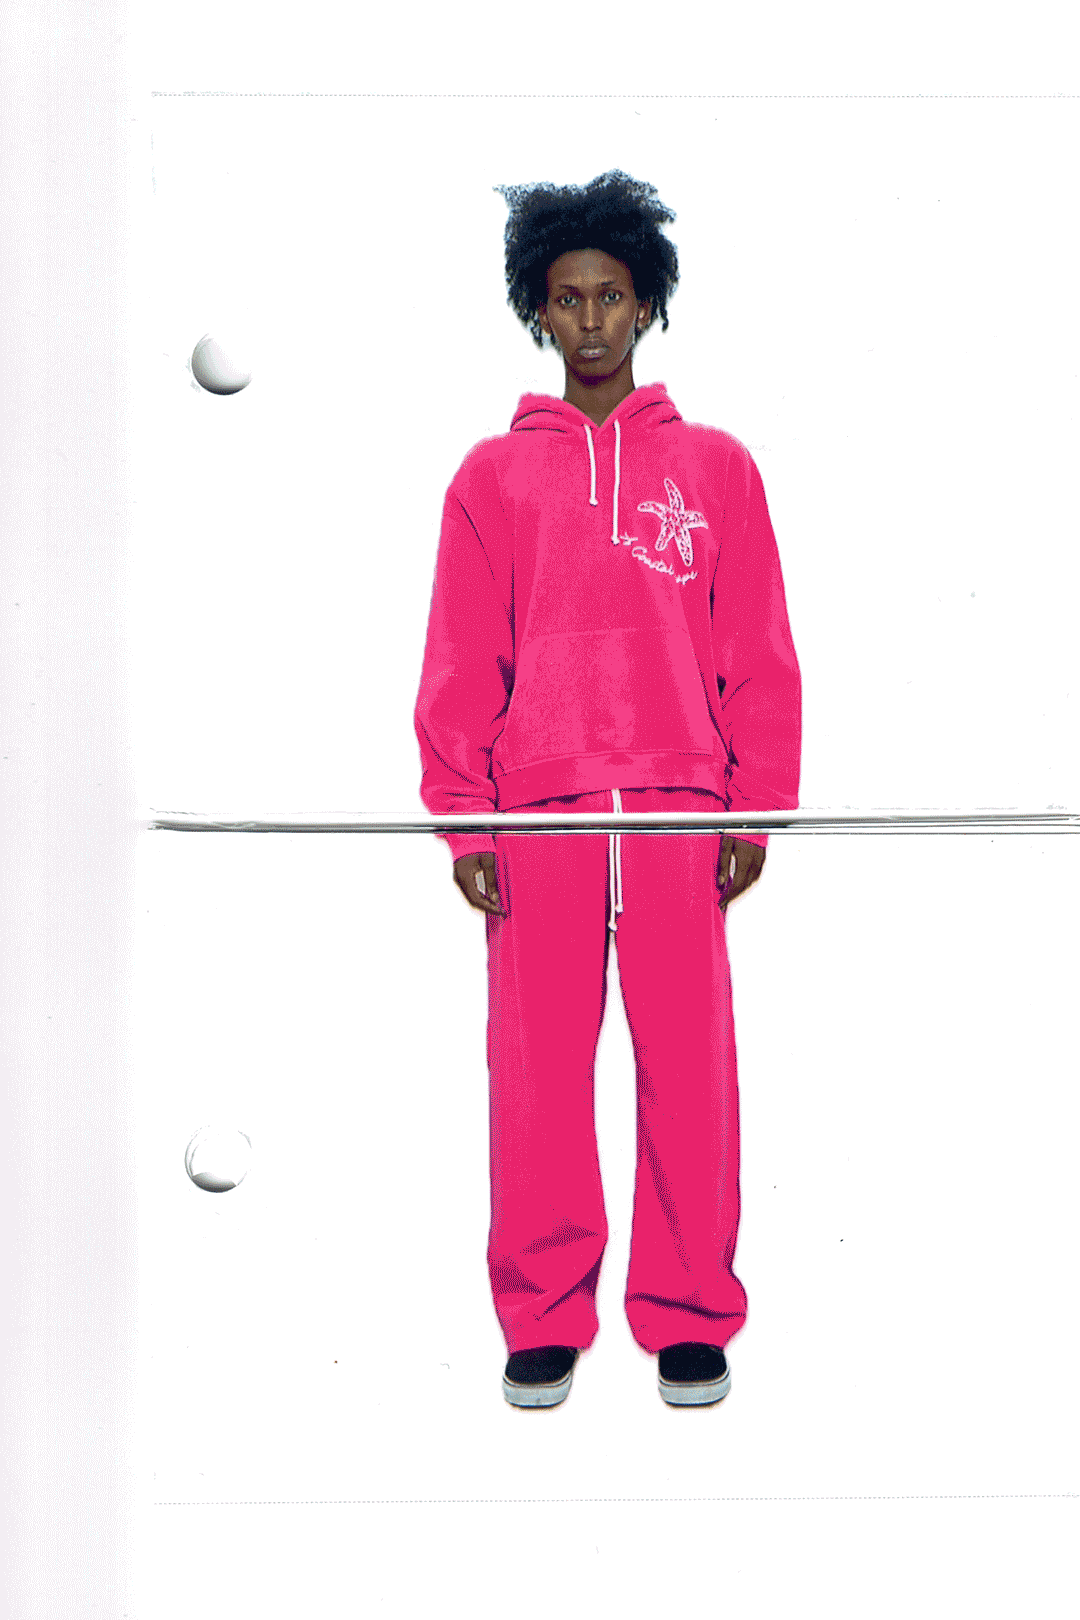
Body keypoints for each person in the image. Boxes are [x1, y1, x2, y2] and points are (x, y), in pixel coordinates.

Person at [414, 171, 801, 1409]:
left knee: (690, 1068)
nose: (591, 321)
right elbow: (461, 659)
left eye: (613, 297)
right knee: (536, 1074)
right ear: (538, 310)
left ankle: (688, 1312)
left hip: (683, 808)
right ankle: (542, 1314)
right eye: (568, 298)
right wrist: (465, 818)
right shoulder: (490, 478)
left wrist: (755, 803)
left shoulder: (716, 467)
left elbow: (759, 651)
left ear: (648, 306)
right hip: (538, 814)